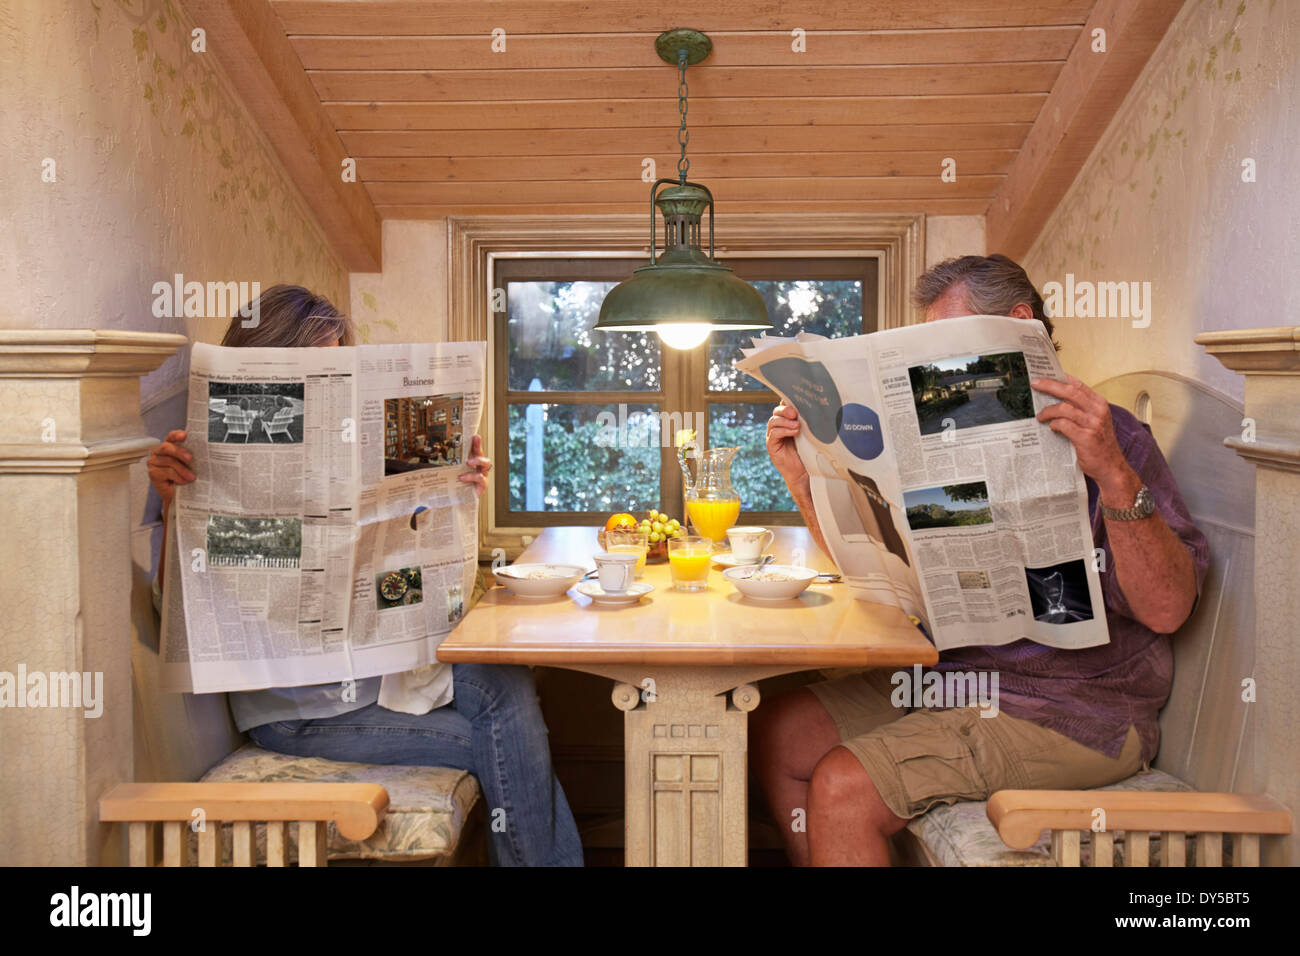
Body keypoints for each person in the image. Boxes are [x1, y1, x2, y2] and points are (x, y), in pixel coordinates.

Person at [751, 254, 1209, 866]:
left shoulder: (1115, 439)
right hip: (959, 677)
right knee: (777, 733)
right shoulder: (946, 441)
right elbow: (885, 576)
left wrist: (1114, 474)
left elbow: (1169, 610)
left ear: (1019, 327)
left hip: (1078, 708)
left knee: (843, 787)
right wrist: (805, 481)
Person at [148, 284, 582, 866]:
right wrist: (175, 504)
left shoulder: (345, 450)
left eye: (334, 363)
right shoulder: (206, 458)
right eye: (310, 363)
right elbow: (176, 605)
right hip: (300, 715)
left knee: (507, 684)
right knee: (506, 741)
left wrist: (452, 488)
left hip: (369, 679)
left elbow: (388, 549)